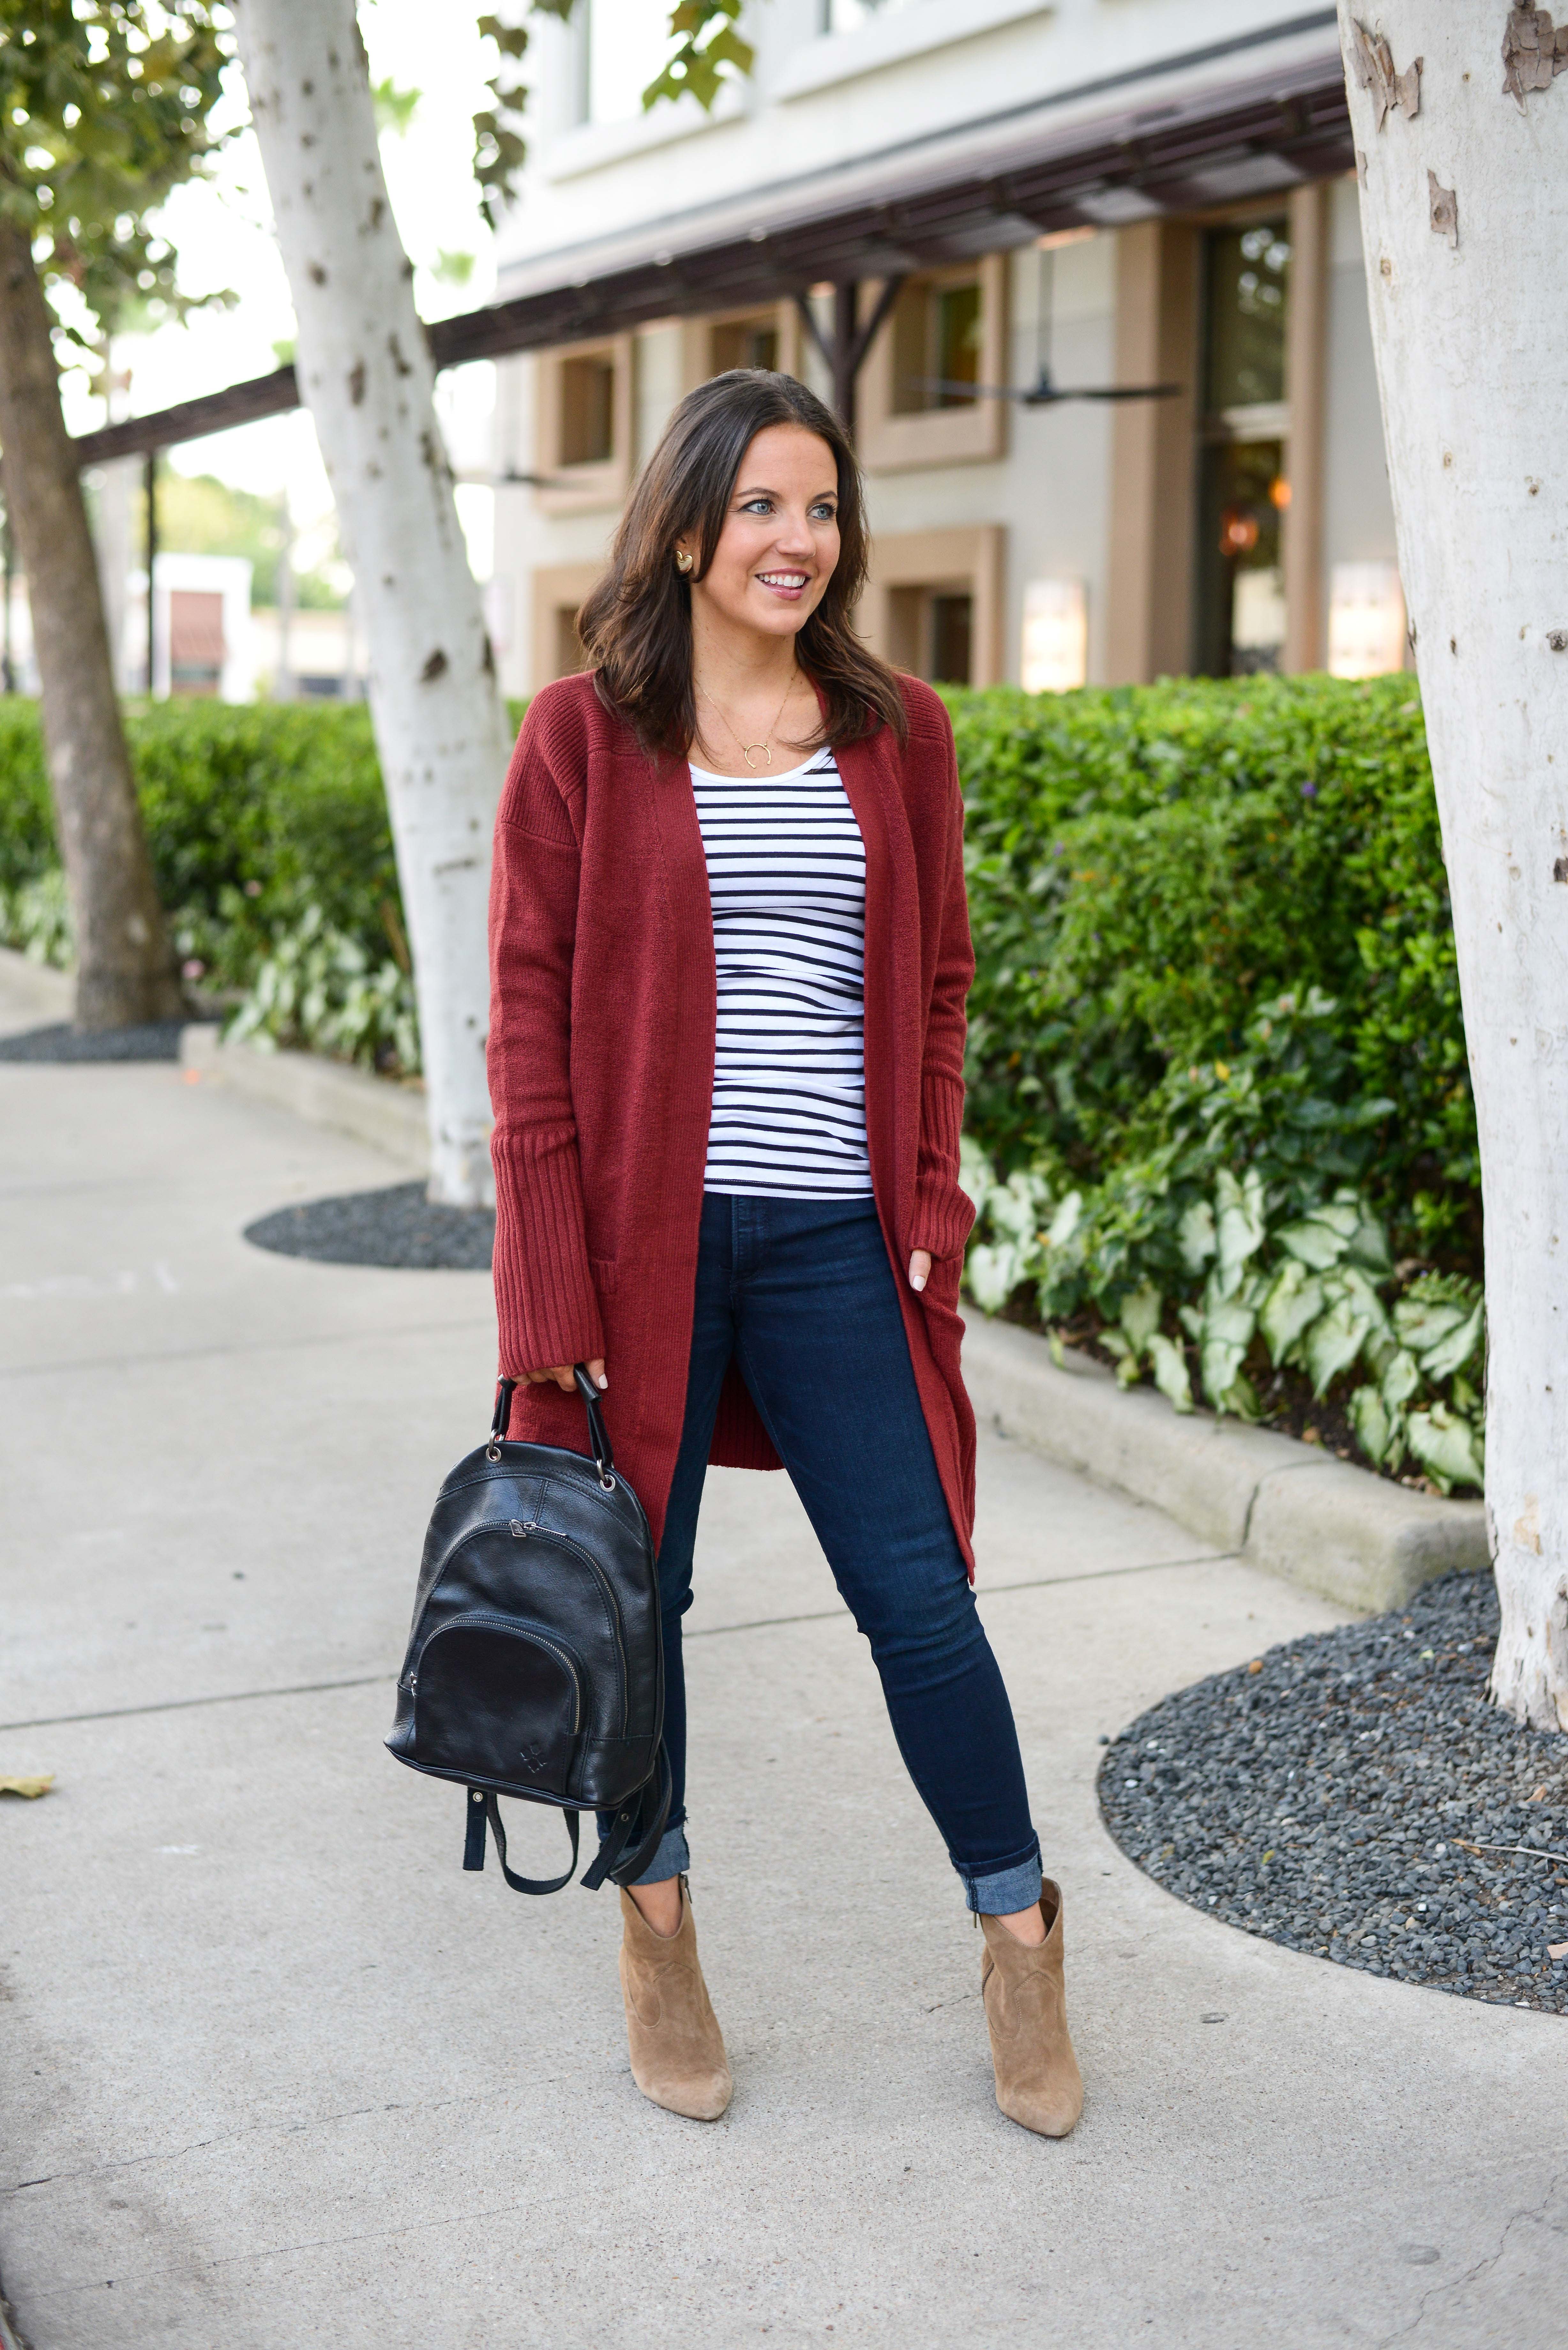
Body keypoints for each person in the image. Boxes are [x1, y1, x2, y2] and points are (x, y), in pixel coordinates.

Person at [486, 368, 1081, 2138]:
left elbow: (943, 983)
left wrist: (931, 1201)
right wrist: (548, 1292)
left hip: (838, 1244)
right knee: (637, 1605)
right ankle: (656, 1921)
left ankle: (1019, 1929)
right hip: (643, 1255)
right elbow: (526, 1019)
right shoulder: (582, 736)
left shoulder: (896, 731)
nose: (796, 540)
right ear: (685, 528)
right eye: (759, 506)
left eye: (821, 509)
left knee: (922, 1605)